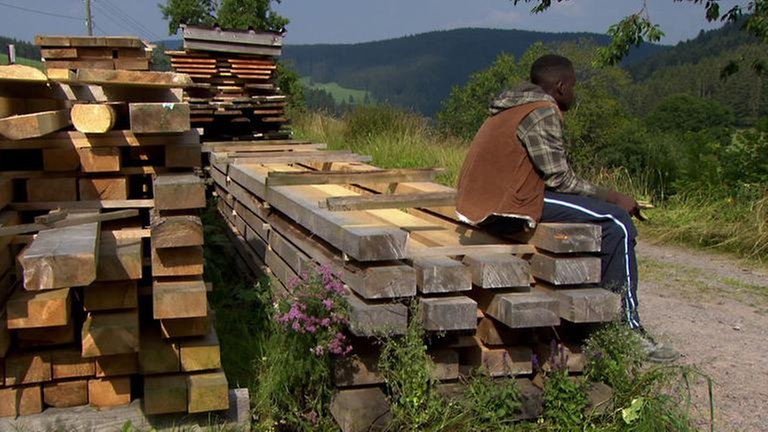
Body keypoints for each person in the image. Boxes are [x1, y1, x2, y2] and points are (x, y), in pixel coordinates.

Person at [455, 54, 679, 363]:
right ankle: (628, 330)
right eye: (572, 85)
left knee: (595, 215)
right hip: (507, 207)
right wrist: (613, 198)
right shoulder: (541, 111)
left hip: (486, 204)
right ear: (560, 87)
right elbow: (559, 178)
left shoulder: (513, 108)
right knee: (616, 222)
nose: (574, 91)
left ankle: (594, 320)